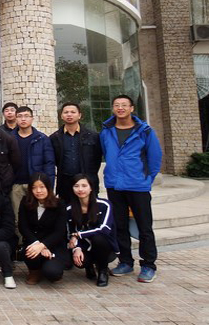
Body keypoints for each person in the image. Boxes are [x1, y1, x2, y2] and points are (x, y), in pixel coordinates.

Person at [100, 94, 162, 283]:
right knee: (120, 226)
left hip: (138, 186)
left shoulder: (145, 131)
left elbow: (155, 159)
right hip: (115, 185)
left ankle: (148, 265)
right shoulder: (107, 131)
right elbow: (106, 153)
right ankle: (125, 261)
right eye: (116, 105)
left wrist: (146, 179)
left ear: (132, 108)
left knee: (144, 227)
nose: (120, 108)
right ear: (113, 108)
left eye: (124, 105)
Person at [67, 174, 119, 287]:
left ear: (91, 188)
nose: (80, 189)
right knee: (80, 261)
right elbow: (71, 233)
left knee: (98, 238)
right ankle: (88, 265)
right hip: (85, 246)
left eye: (84, 186)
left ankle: (102, 270)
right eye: (76, 186)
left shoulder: (104, 205)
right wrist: (77, 248)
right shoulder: (69, 209)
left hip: (104, 246)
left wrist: (79, 234)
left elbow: (104, 229)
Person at [12, 106, 56, 234]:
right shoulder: (9, 138)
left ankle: (40, 243)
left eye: (26, 116)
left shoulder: (42, 138)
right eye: (20, 116)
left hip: (37, 185)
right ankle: (21, 244)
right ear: (16, 119)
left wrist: (48, 186)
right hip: (16, 185)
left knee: (39, 216)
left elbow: (49, 164)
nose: (23, 119)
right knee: (17, 218)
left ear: (32, 118)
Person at [18, 173, 67, 285]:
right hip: (33, 242)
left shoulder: (59, 204)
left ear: (48, 187)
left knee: (53, 273)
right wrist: (37, 244)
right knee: (30, 252)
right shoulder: (25, 202)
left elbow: (59, 231)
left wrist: (43, 245)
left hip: (53, 245)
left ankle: (49, 268)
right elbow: (23, 226)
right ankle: (34, 271)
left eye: (42, 187)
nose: (38, 191)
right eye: (34, 187)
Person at [50, 102, 103, 203]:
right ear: (61, 116)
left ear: (79, 115)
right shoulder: (54, 138)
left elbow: (97, 158)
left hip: (87, 182)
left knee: (89, 210)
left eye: (73, 112)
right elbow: (55, 160)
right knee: (66, 210)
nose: (69, 114)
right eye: (66, 112)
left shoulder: (92, 136)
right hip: (65, 184)